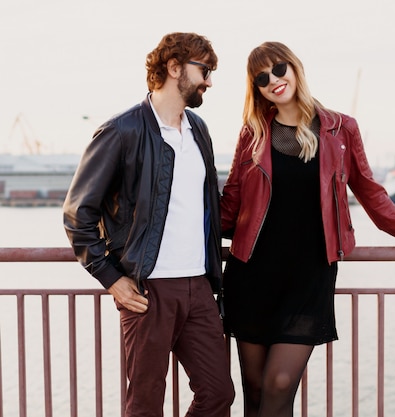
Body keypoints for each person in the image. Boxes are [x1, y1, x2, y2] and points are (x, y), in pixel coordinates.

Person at [220, 41, 395, 417]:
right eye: (262, 78)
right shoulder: (253, 133)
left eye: (279, 69)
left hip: (308, 277)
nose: (273, 80)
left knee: (279, 384)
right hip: (252, 274)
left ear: (295, 68)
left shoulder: (340, 128)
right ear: (257, 89)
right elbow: (230, 203)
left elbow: (371, 193)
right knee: (254, 391)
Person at [63, 32, 235, 417]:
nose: (209, 81)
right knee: (145, 404)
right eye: (204, 70)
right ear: (174, 68)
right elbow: (78, 213)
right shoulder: (122, 131)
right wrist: (110, 277)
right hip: (147, 291)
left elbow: (210, 206)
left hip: (199, 286)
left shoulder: (199, 131)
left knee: (219, 393)